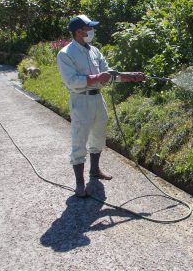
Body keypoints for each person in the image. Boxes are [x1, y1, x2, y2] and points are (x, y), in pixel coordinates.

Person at [57, 15, 145, 197]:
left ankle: (95, 171)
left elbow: (108, 73)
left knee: (98, 135)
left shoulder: (95, 51)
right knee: (79, 139)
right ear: (78, 32)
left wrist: (129, 76)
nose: (91, 32)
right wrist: (96, 78)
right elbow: (72, 81)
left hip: (98, 99)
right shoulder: (66, 54)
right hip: (81, 100)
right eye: (89, 28)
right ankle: (80, 184)